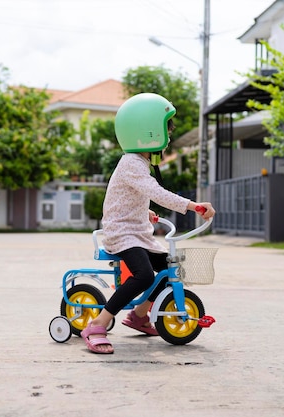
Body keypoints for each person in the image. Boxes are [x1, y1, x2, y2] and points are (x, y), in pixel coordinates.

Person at [81, 92, 215, 354]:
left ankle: (140, 316)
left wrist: (146, 214)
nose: (167, 142)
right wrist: (192, 206)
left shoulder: (139, 163)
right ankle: (98, 324)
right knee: (143, 276)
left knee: (168, 271)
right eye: (166, 134)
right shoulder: (132, 163)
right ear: (149, 133)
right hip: (122, 234)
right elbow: (156, 192)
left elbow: (133, 197)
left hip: (137, 232)